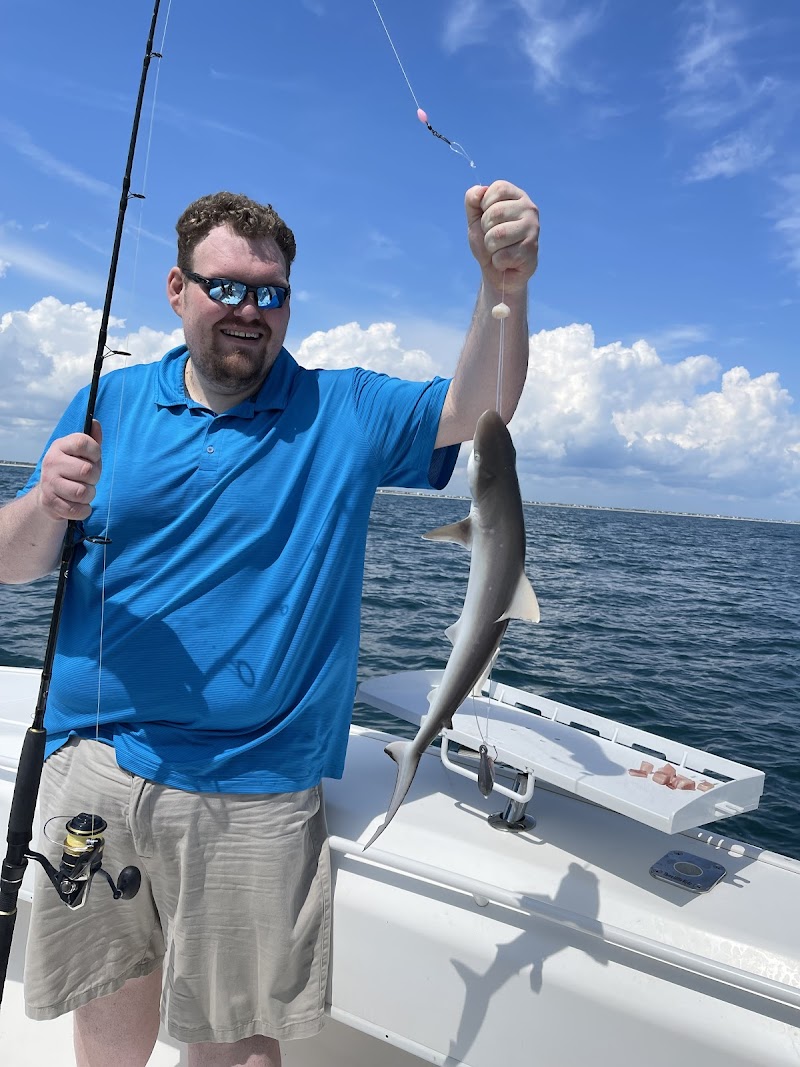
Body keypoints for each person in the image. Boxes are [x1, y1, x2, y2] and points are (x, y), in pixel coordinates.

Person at [0, 180, 539, 1067]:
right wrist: (43, 505)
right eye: (226, 286)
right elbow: (16, 560)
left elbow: (479, 406)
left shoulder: (344, 410)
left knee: (240, 1039)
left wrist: (501, 286)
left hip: (253, 782)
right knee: (105, 997)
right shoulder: (110, 401)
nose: (249, 309)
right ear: (178, 290)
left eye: (270, 292)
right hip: (94, 759)